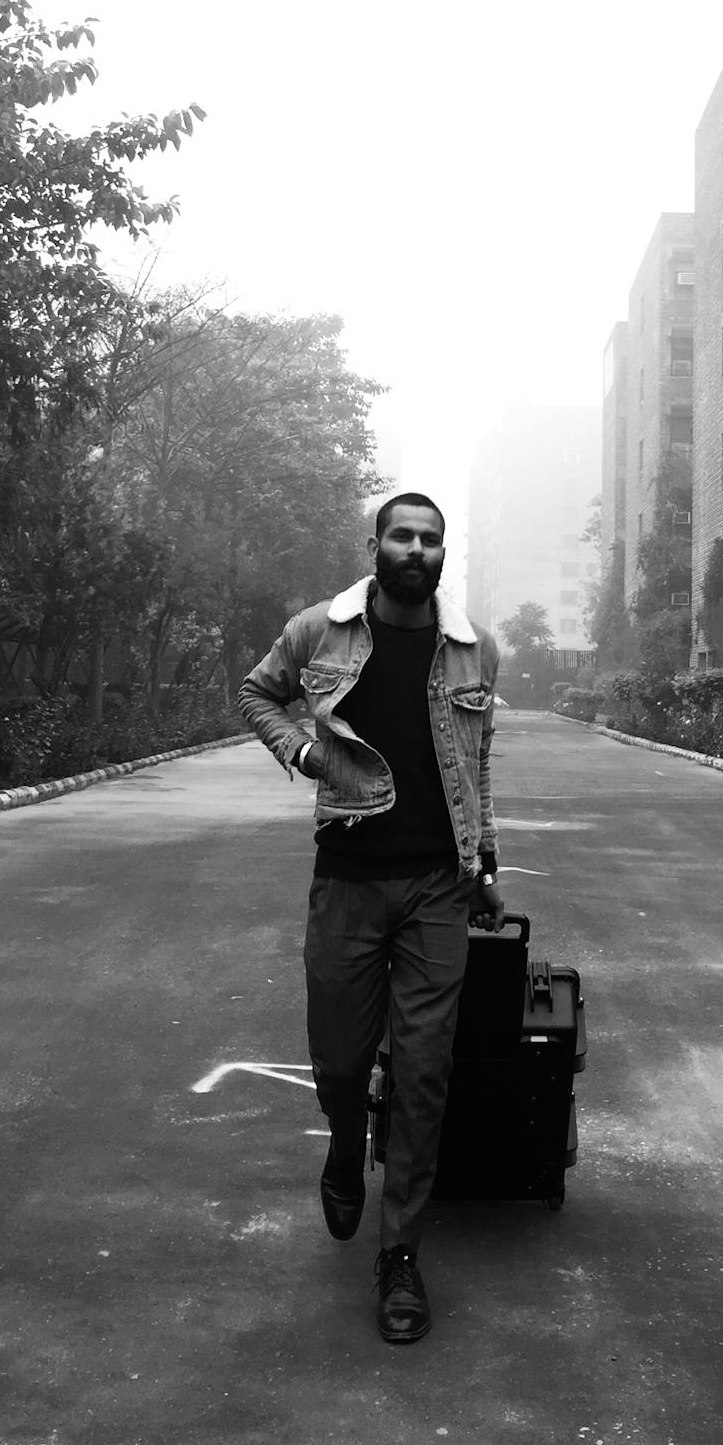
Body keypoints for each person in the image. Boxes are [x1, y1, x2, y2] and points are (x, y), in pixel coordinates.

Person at [237, 492, 504, 1343]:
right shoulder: (321, 631)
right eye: (403, 536)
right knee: (342, 1063)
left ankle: (401, 1260)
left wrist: (484, 862)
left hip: (436, 888)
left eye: (432, 539)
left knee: (423, 1078)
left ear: (442, 554)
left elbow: (477, 766)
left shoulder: (472, 650)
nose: (417, 550)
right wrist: (304, 751)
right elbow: (258, 695)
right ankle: (346, 1144)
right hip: (348, 878)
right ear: (375, 546)